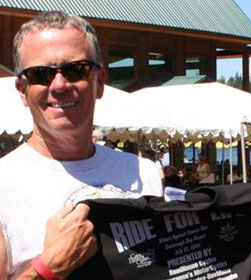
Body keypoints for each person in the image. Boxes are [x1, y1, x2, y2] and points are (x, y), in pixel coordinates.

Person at [0, 11, 163, 279]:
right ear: (22, 90)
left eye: (76, 70)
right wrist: (50, 268)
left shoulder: (143, 173)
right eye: (41, 74)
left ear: (100, 82)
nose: (59, 85)